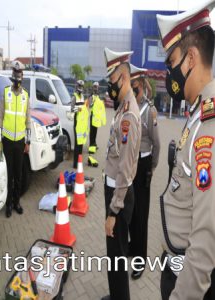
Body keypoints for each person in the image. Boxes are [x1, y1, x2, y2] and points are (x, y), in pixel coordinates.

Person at [156, 1, 215, 299]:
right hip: (177, 264)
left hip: (188, 282)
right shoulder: (196, 113)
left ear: (191, 58)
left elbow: (206, 239)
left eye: (172, 62)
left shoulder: (209, 125)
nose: (169, 73)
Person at [102, 47, 141, 300]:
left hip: (119, 194)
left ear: (123, 78)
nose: (110, 86)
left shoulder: (129, 115)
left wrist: (113, 212)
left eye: (112, 80)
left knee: (117, 254)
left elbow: (126, 171)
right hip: (114, 189)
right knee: (113, 254)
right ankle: (115, 295)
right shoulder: (121, 108)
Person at [128, 64, 160, 280]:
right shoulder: (128, 107)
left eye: (135, 86)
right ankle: (132, 246)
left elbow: (157, 144)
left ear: (142, 85)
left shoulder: (150, 110)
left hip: (143, 165)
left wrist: (152, 167)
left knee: (141, 215)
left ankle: (140, 259)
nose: (132, 90)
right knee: (130, 212)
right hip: (129, 166)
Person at [0, 60, 31, 218]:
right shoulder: (5, 93)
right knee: (9, 174)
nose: (17, 81)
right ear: (12, 78)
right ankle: (8, 204)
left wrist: (28, 141)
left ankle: (17, 202)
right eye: (15, 78)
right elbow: (0, 117)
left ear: (22, 78)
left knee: (18, 174)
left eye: (20, 78)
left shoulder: (25, 96)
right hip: (8, 141)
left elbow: (28, 120)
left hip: (20, 142)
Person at [71, 80, 88, 169]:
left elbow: (84, 108)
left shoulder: (82, 97)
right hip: (77, 122)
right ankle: (75, 164)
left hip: (82, 124)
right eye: (79, 86)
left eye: (82, 86)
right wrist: (79, 109)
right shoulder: (74, 97)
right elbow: (72, 109)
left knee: (81, 143)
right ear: (76, 86)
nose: (80, 88)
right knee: (77, 144)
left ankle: (79, 162)